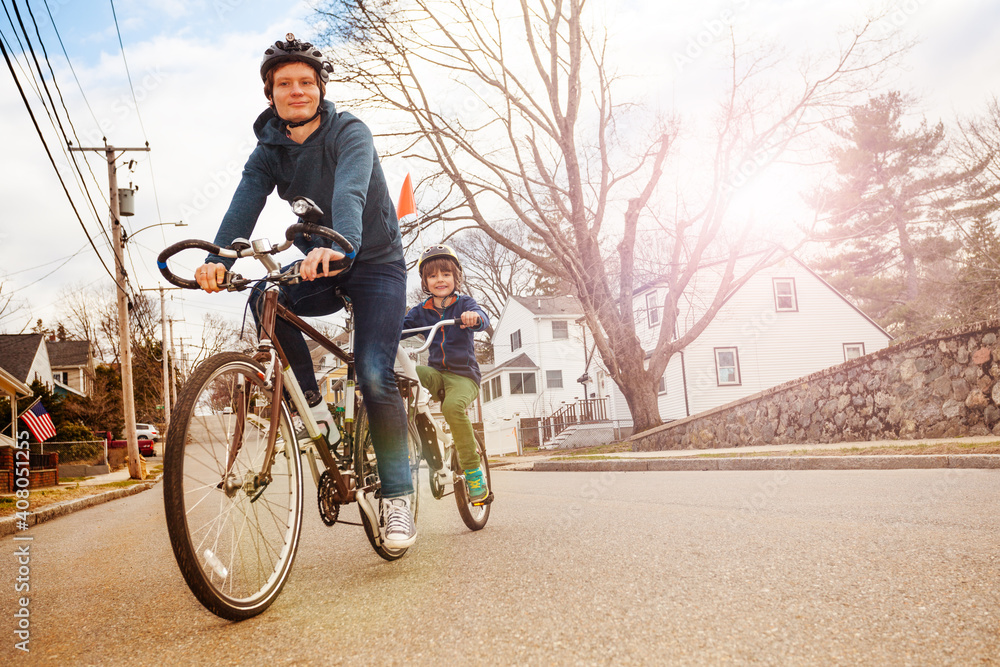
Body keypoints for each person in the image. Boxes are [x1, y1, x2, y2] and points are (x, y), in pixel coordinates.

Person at [194, 34, 416, 549]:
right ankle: (314, 408)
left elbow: (352, 191)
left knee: (375, 374)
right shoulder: (269, 148)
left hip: (374, 261)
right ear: (270, 94)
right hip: (324, 261)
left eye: (306, 83)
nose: (297, 91)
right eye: (284, 84)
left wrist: (342, 246)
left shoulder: (349, 131)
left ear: (320, 88)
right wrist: (217, 258)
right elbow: (243, 205)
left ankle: (398, 498)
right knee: (265, 296)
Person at [402, 245, 491, 502]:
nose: (440, 280)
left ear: (456, 277)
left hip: (464, 377)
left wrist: (475, 317)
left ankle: (474, 471)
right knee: (408, 375)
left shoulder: (465, 303)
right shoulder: (420, 311)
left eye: (446, 274)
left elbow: (483, 317)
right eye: (432, 276)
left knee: (453, 408)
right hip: (436, 374)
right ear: (425, 282)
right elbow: (401, 328)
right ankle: (413, 441)